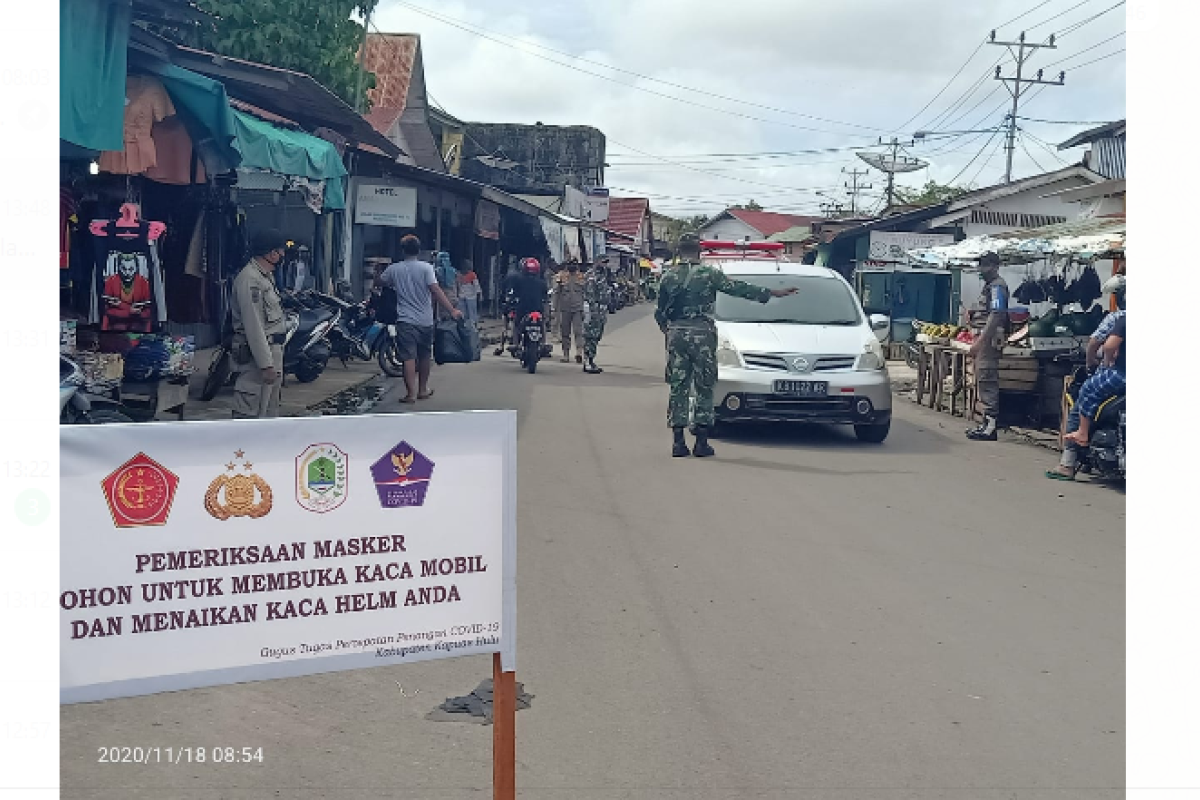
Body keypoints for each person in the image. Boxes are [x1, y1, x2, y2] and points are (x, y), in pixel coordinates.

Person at [655, 233, 797, 458]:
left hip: (677, 334)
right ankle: (701, 443)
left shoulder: (668, 276)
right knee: (704, 385)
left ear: (679, 252)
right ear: (699, 252)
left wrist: (670, 331)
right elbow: (737, 288)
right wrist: (771, 293)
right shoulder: (710, 274)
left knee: (678, 385)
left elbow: (659, 311)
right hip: (703, 334)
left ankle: (678, 442)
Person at [379, 235, 462, 404]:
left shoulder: (394, 269)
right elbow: (436, 291)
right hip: (425, 320)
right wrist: (452, 310)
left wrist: (378, 271)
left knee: (408, 357)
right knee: (424, 356)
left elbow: (380, 282)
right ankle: (423, 390)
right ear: (418, 250)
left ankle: (410, 394)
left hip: (405, 320)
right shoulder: (426, 268)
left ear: (402, 251)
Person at [230, 228, 288, 419]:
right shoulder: (250, 280)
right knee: (250, 414)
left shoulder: (265, 277)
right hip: (257, 357)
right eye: (281, 251)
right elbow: (253, 325)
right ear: (271, 253)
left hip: (272, 350)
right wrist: (266, 365)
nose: (283, 256)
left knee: (269, 415)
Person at [966, 252, 1011, 441]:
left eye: (985, 266)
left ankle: (991, 426)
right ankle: (986, 422)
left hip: (990, 341)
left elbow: (996, 315)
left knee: (987, 377)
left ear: (995, 266)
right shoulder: (990, 286)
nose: (981, 270)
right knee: (983, 379)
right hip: (986, 339)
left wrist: (980, 341)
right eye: (980, 265)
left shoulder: (997, 286)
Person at [508, 257, 549, 351]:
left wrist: (510, 303)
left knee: (516, 324)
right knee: (543, 324)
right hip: (538, 310)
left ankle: (515, 343)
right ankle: (543, 343)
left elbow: (513, 295)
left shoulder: (518, 280)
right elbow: (545, 298)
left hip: (523, 309)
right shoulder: (542, 283)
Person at [554, 260, 587, 363]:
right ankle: (566, 355)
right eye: (570, 264)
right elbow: (556, 293)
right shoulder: (561, 277)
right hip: (565, 309)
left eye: (574, 264)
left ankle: (579, 353)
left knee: (578, 332)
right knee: (565, 333)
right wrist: (554, 308)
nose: (572, 266)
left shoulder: (581, 277)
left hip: (578, 309)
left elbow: (586, 293)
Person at [581, 258, 610, 374]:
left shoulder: (603, 274)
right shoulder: (591, 275)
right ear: (596, 262)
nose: (605, 264)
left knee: (596, 336)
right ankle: (588, 361)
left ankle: (591, 360)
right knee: (590, 336)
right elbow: (590, 294)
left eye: (606, 262)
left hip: (601, 309)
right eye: (603, 262)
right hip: (594, 309)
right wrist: (593, 312)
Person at [457, 260, 482, 327]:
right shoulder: (472, 274)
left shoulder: (459, 274)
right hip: (470, 296)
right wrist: (479, 295)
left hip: (462, 295)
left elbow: (457, 285)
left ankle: (465, 326)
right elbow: (477, 286)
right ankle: (472, 326)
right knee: (472, 313)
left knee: (463, 312)